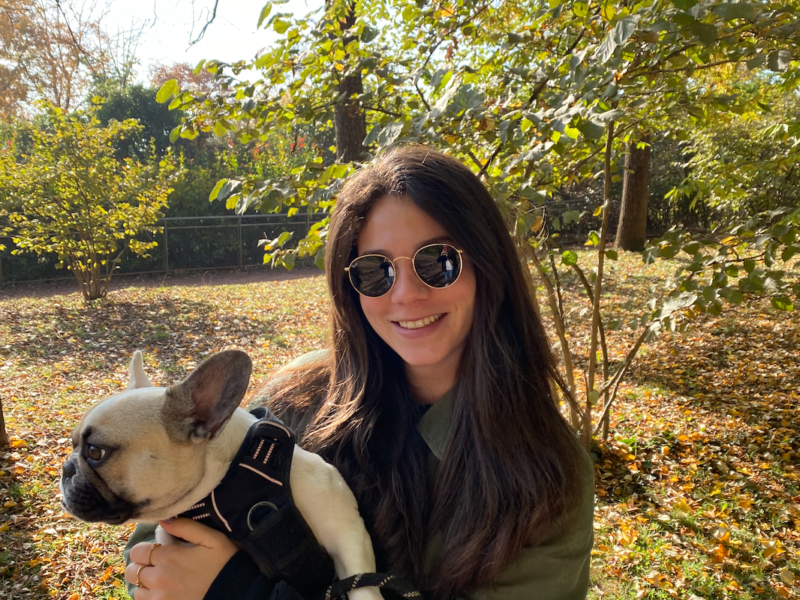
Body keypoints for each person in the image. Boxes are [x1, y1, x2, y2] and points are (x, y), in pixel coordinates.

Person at [124, 146, 594, 600]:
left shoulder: (546, 475)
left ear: (487, 266)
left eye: (438, 261)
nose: (406, 294)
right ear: (351, 288)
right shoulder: (295, 402)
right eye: (375, 271)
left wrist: (238, 591)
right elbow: (155, 541)